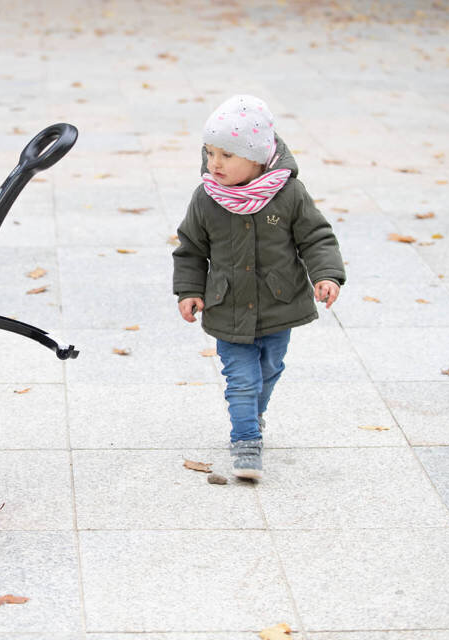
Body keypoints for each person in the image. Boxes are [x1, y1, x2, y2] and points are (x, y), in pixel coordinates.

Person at [172, 94, 346, 480]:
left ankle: (255, 413)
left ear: (258, 158)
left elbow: (316, 238)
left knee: (270, 368)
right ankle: (246, 442)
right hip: (227, 305)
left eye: (227, 155)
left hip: (278, 303)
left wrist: (326, 275)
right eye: (210, 152)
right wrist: (189, 291)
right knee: (242, 379)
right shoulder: (206, 198)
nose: (214, 163)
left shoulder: (289, 195)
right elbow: (190, 250)